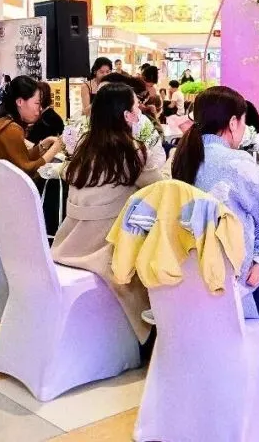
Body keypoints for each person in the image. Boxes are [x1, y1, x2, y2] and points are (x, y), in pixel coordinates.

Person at [170, 85, 259, 371]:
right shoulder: (238, 162)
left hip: (191, 278)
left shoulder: (184, 158)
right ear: (233, 122)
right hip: (236, 286)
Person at [51, 80, 165, 342]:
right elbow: (158, 189)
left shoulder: (84, 146)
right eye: (135, 108)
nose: (139, 112)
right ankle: (153, 327)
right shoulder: (131, 151)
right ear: (126, 115)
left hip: (69, 242)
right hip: (105, 249)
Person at [0, 75, 63, 238]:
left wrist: (42, 146)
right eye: (36, 103)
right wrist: (55, 149)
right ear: (20, 102)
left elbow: (18, 157)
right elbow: (27, 171)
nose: (39, 109)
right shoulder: (10, 128)